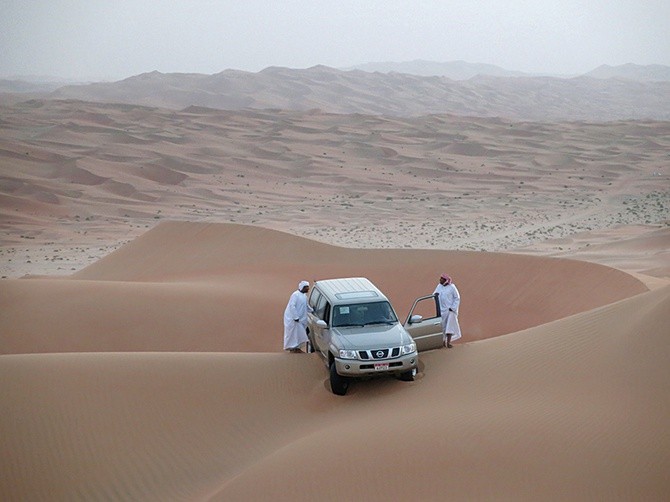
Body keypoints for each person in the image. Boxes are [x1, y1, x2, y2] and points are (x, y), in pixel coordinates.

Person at [283, 280, 313, 353]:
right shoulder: (295, 295)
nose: (308, 289)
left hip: (300, 320)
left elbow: (306, 306)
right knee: (293, 334)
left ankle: (297, 348)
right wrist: (295, 317)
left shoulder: (304, 296)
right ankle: (292, 348)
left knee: (300, 334)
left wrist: (313, 310)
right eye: (306, 287)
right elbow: (292, 306)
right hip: (293, 319)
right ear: (302, 287)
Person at [433, 273, 461, 348]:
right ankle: (442, 343)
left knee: (449, 327)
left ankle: (448, 342)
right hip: (442, 311)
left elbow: (457, 298)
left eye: (441, 279)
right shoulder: (439, 286)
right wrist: (435, 296)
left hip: (450, 311)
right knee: (442, 327)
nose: (440, 280)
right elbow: (434, 295)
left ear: (445, 280)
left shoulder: (452, 287)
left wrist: (453, 307)